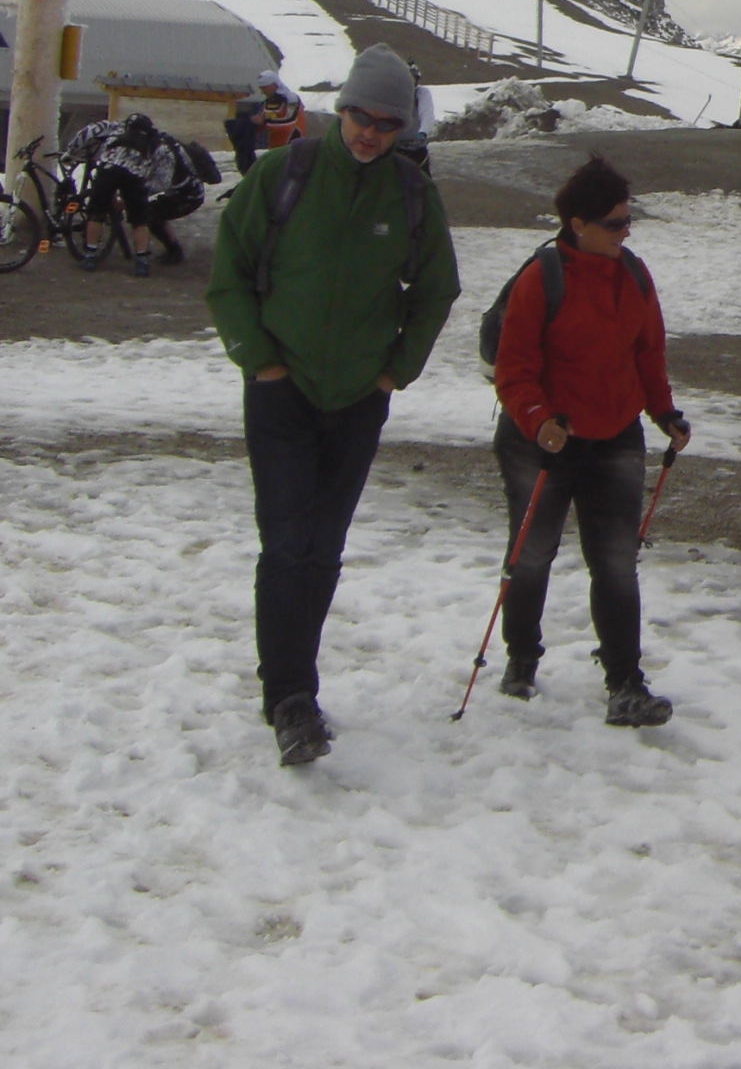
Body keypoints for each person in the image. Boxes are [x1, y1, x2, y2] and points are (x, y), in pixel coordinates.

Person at [207, 46, 460, 767]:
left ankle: (294, 691)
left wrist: (395, 372)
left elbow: (437, 289)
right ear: (341, 110)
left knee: (322, 549)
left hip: (357, 399)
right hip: (281, 391)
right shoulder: (283, 174)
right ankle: (291, 697)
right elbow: (229, 273)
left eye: (386, 123)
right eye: (361, 117)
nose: (370, 133)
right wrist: (260, 362)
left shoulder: (411, 193)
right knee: (287, 543)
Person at [489, 152, 690, 725]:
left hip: (615, 434)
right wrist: (539, 420)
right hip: (543, 440)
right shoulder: (541, 278)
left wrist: (663, 412)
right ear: (578, 224)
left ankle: (625, 681)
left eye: (628, 220)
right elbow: (513, 368)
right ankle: (521, 658)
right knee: (532, 555)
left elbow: (647, 352)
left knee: (617, 561)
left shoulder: (633, 274)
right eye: (615, 223)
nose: (626, 232)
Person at [68, 112, 217, 271]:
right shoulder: (133, 134)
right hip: (133, 177)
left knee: (148, 215)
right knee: (139, 220)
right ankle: (142, 261)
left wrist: (70, 153)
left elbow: (161, 183)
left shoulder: (163, 147)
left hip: (187, 192)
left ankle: (173, 251)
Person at [225, 68, 305, 176]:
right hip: (274, 148)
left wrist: (265, 122)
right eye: (261, 88)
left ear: (274, 85)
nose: (262, 91)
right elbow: (261, 123)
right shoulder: (267, 102)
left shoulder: (291, 99)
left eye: (264, 87)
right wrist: (251, 124)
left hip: (292, 146)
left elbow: (290, 122)